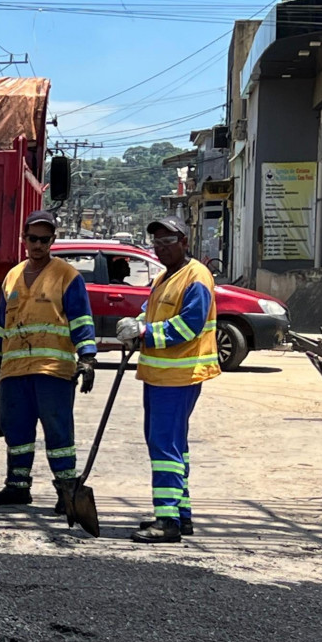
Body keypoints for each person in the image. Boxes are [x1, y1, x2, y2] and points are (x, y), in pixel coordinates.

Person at [0, 209, 97, 511]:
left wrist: (87, 358)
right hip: (15, 371)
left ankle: (66, 490)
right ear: (24, 239)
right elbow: (0, 324)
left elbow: (81, 320)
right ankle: (17, 486)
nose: (38, 245)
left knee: (58, 430)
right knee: (15, 429)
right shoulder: (12, 276)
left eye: (45, 239)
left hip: (53, 372)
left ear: (53, 240)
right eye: (33, 238)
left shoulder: (67, 276)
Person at [115, 215, 218, 544]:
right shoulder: (164, 277)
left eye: (168, 242)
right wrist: (136, 323)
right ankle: (180, 515)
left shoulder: (196, 277)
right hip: (160, 376)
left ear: (184, 242)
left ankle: (167, 520)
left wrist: (144, 332)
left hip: (179, 376)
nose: (161, 249)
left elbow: (189, 326)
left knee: (163, 446)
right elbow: (151, 311)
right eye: (157, 244)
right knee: (174, 446)